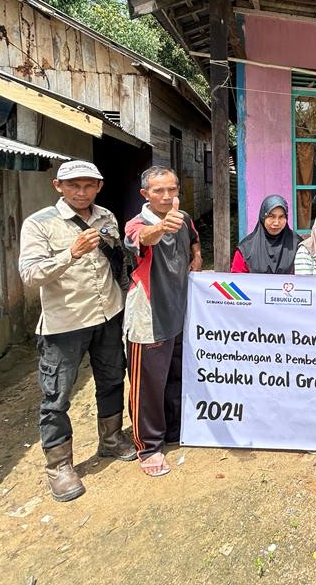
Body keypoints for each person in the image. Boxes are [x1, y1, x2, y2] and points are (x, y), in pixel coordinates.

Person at [19, 159, 136, 502]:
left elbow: (117, 261)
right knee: (57, 395)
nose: (81, 192)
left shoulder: (107, 218)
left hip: (108, 314)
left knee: (113, 379)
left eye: (88, 185)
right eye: (74, 185)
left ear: (99, 187)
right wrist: (70, 254)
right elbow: (30, 275)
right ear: (58, 186)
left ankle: (111, 439)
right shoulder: (39, 224)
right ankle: (59, 465)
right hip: (64, 324)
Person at [123, 166, 201, 478]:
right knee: (148, 385)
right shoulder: (137, 224)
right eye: (159, 191)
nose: (167, 197)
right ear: (145, 195)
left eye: (172, 190)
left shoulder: (184, 218)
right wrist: (161, 228)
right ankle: (149, 446)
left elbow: (193, 240)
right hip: (149, 314)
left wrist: (196, 257)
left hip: (179, 310)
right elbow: (141, 240)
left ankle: (174, 429)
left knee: (174, 376)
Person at [232, 195, 298, 274]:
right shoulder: (246, 249)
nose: (276, 223)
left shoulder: (297, 245)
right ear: (262, 217)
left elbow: (306, 280)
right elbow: (237, 281)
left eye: (281, 217)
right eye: (271, 216)